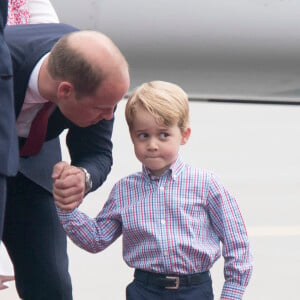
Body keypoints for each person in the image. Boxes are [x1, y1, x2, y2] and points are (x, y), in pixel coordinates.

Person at [56, 81, 253, 300]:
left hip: (195, 290)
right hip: (144, 290)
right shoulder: (124, 190)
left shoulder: (206, 185)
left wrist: (231, 294)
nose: (152, 145)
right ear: (132, 136)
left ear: (184, 135)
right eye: (143, 136)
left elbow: (237, 243)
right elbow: (97, 238)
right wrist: (66, 207)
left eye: (163, 135)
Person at [2, 23, 130, 300]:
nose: (109, 117)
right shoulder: (8, 60)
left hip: (35, 170)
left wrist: (82, 176)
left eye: (113, 106)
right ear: (65, 91)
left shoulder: (94, 75)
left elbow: (97, 152)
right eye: (102, 108)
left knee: (52, 286)